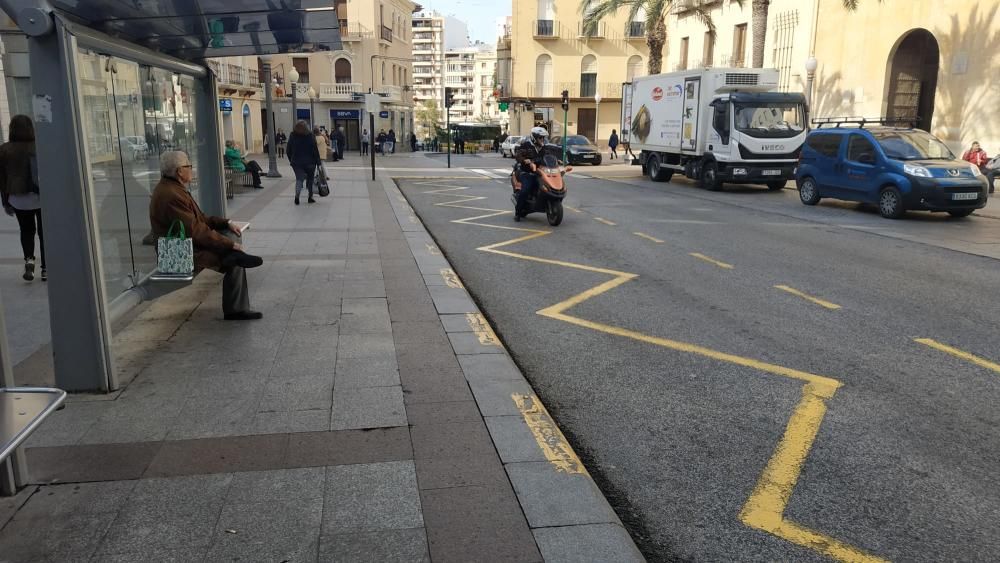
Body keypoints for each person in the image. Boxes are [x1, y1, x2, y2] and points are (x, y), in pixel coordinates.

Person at [149, 151, 264, 320]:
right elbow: (195, 230)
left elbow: (200, 219)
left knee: (231, 238)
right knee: (234, 256)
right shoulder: (172, 194)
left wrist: (225, 223)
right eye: (189, 166)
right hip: (179, 252)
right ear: (179, 171)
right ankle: (235, 307)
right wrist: (228, 244)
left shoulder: (174, 189)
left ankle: (232, 259)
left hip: (186, 244)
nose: (192, 170)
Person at [0, 115, 45, 281]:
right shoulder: (39, 146)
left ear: (12, 129)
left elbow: (2, 180)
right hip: (40, 197)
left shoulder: (4, 150)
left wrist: (5, 202)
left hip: (18, 199)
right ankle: (46, 268)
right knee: (43, 232)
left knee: (26, 230)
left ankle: (29, 262)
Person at [513, 126, 549, 221]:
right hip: (526, 173)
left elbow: (549, 156)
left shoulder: (543, 148)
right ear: (534, 137)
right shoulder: (526, 146)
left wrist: (557, 160)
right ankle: (518, 212)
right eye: (540, 137)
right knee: (525, 190)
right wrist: (524, 160)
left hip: (540, 173)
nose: (542, 140)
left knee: (548, 187)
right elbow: (518, 155)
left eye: (543, 138)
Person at [286, 120, 321, 205]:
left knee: (299, 179)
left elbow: (288, 150)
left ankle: (297, 197)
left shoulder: (292, 136)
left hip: (297, 162)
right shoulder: (311, 136)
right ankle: (310, 197)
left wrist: (291, 160)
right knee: (310, 179)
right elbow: (315, 150)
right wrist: (318, 162)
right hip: (310, 162)